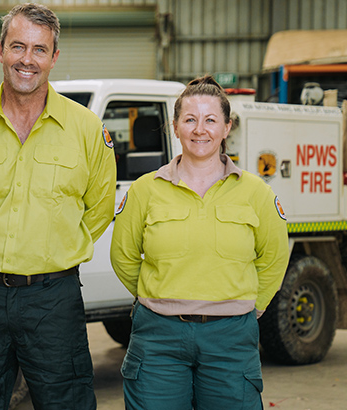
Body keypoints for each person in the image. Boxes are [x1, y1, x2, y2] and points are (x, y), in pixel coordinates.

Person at [0, 3, 116, 410]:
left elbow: (98, 210)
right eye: (18, 47)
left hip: (53, 299)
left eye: (39, 49)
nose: (27, 60)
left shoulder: (86, 129)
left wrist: (51, 250)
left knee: (67, 401)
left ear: (54, 57)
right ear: (0, 49)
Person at [110, 75, 290, 410]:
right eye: (190, 120)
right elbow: (123, 255)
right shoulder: (145, 190)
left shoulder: (256, 193)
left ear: (227, 127)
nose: (199, 130)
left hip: (231, 337)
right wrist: (158, 295)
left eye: (210, 120)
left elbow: (274, 259)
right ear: (175, 127)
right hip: (158, 334)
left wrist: (249, 309)